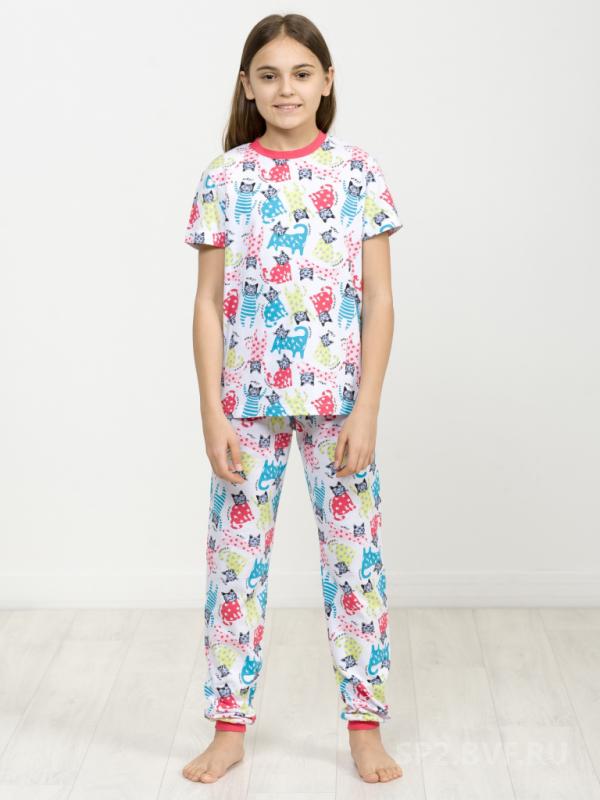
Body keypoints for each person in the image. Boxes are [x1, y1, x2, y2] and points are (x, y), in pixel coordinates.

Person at [181, 12, 404, 786]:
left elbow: (379, 299)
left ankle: (365, 727)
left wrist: (367, 406)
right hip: (246, 406)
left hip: (339, 405)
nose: (286, 89)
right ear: (247, 86)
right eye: (270, 75)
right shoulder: (223, 178)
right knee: (235, 569)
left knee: (355, 563)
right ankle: (228, 727)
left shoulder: (358, 173)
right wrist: (211, 410)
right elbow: (207, 303)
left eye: (302, 74)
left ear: (326, 81)